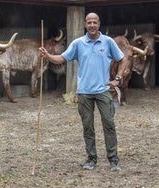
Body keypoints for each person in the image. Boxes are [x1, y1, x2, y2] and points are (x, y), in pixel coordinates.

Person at [39, 12, 129, 171]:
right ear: (85, 25)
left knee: (109, 124)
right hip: (84, 92)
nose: (92, 25)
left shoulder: (108, 42)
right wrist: (47, 56)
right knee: (88, 127)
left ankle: (113, 160)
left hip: (103, 90)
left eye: (95, 22)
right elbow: (61, 58)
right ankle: (91, 159)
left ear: (99, 24)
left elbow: (123, 59)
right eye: (89, 23)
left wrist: (118, 78)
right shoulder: (78, 43)